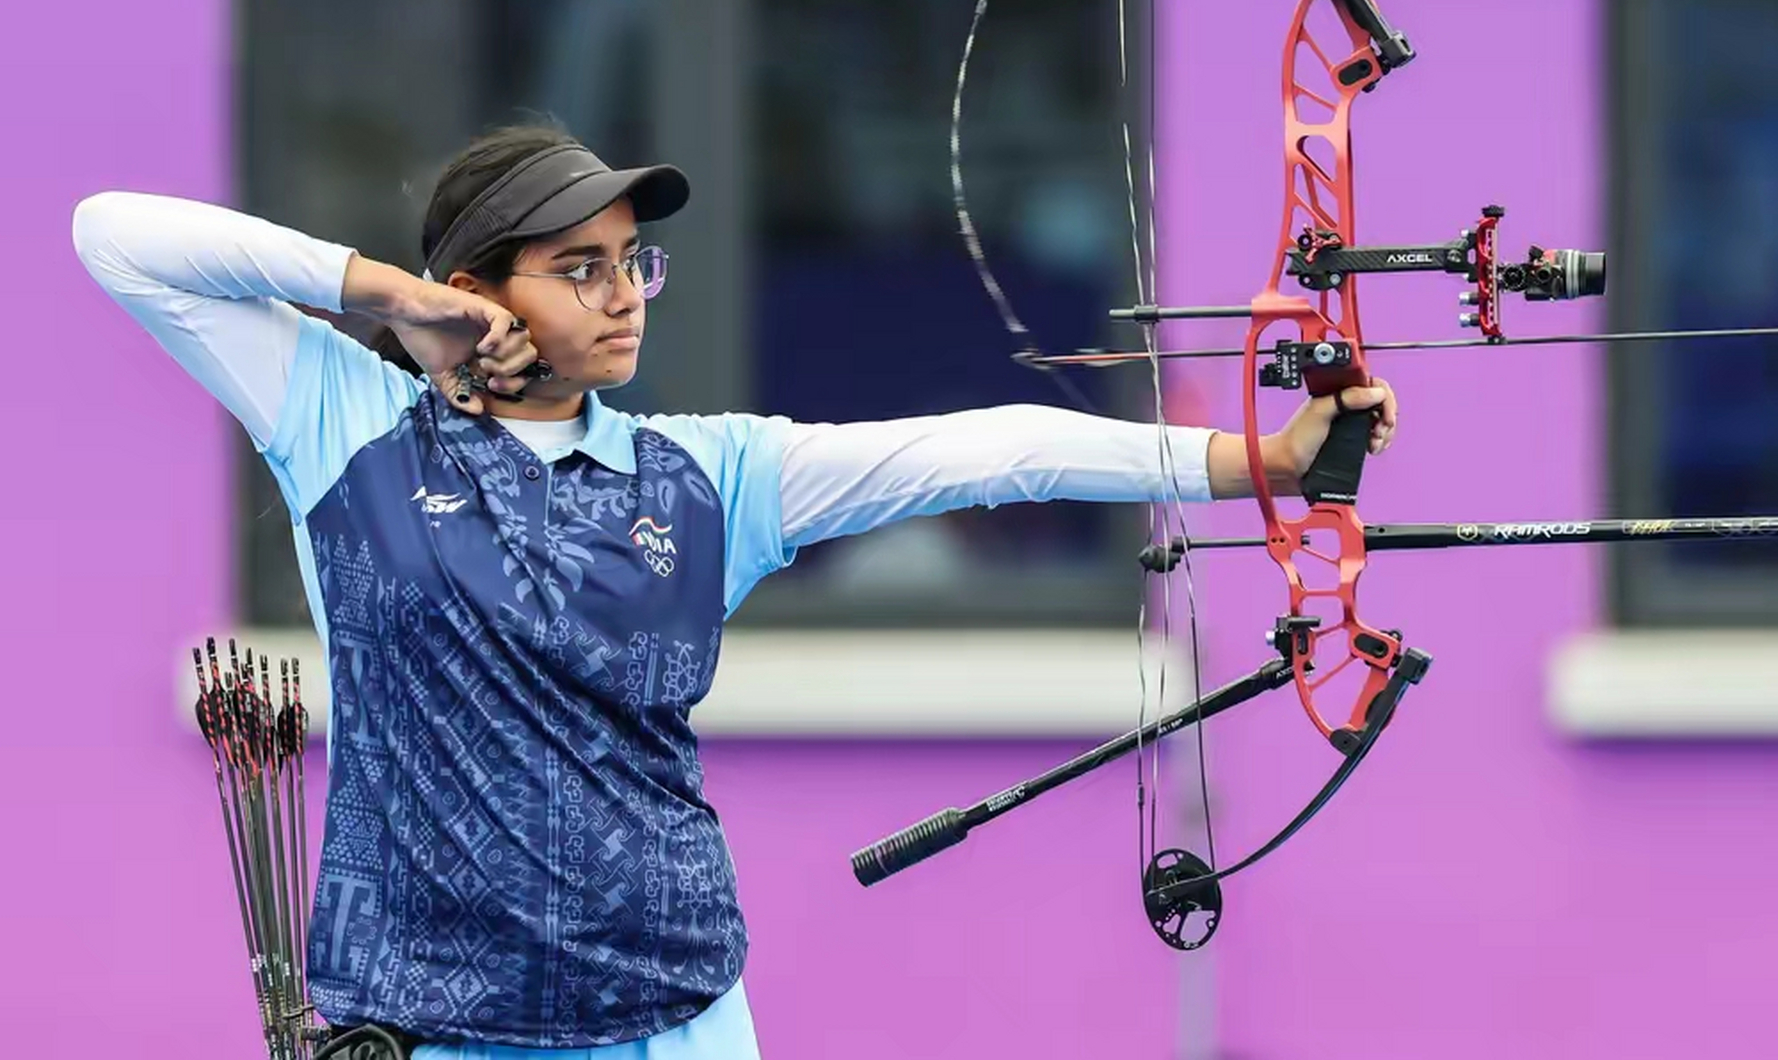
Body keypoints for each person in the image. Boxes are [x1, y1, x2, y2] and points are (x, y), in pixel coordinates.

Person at [72, 124, 1398, 1059]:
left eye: (632, 259)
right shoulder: (342, 420)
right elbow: (116, 236)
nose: (623, 294)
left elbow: (981, 451)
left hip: (676, 1019)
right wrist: (382, 293)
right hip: (433, 1026)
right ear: (480, 291)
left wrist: (1257, 465)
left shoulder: (708, 474)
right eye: (578, 264)